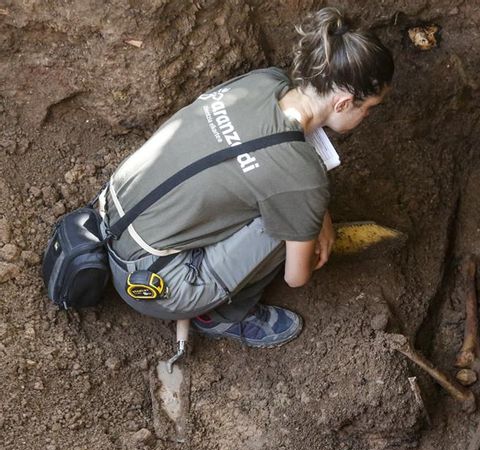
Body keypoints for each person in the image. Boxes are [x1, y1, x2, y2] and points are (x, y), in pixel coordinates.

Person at [99, 7, 393, 347]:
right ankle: (221, 316)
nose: (368, 115)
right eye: (369, 107)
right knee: (287, 224)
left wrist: (313, 211)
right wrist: (309, 225)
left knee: (283, 200)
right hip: (155, 285)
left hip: (110, 213)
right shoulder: (303, 180)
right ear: (343, 103)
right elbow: (296, 277)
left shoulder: (264, 81)